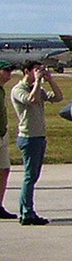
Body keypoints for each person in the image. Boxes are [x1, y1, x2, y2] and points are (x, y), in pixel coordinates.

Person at [11, 60, 61, 226]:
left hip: (39, 136)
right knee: (29, 176)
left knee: (33, 176)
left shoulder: (38, 89)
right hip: (28, 136)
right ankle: (26, 212)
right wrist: (38, 81)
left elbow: (58, 97)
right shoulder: (18, 90)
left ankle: (28, 210)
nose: (40, 72)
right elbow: (31, 100)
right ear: (27, 71)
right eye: (37, 70)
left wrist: (50, 80)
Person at [0, 62, 15, 219]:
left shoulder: (2, 91)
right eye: (6, 70)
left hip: (2, 135)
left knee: (4, 170)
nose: (9, 74)